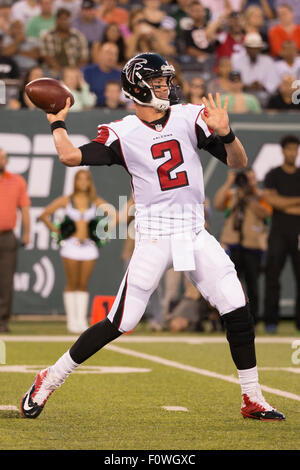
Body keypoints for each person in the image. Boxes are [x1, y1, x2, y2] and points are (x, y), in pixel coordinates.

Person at [20, 52, 285, 421]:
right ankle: (49, 378)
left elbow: (238, 162)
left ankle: (252, 396)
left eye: (166, 81)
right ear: (137, 88)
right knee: (122, 321)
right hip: (156, 235)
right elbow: (68, 156)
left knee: (236, 308)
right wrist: (57, 121)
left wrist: (227, 133)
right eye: (158, 82)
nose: (165, 87)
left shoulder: (190, 116)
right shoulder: (122, 132)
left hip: (194, 231)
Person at [38, 169, 114, 333]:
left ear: (89, 182)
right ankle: (71, 321)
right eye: (80, 179)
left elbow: (113, 214)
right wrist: (56, 231)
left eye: (86, 179)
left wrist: (102, 231)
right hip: (71, 246)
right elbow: (44, 215)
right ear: (75, 182)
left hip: (89, 247)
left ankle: (81, 320)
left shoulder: (95, 201)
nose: (83, 183)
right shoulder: (67, 200)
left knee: (83, 284)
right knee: (72, 283)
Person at [214, 168, 271, 324]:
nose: (247, 182)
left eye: (251, 178)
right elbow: (217, 203)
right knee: (229, 284)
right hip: (232, 245)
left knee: (252, 285)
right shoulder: (232, 195)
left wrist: (251, 194)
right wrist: (229, 182)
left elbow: (265, 213)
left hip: (253, 247)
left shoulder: (260, 196)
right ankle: (226, 320)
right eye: (245, 178)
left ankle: (253, 319)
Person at [262, 135, 300, 333]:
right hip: (278, 232)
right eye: (289, 149)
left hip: (298, 233)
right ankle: (271, 321)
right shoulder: (273, 174)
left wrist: (283, 203)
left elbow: (279, 202)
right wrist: (294, 202)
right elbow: (272, 202)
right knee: (272, 276)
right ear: (283, 150)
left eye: (296, 149)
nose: (293, 153)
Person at [0, 148, 30, 333]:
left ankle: (2, 320)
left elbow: (24, 208)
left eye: (2, 158)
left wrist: (27, 232)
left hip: (7, 236)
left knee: (5, 281)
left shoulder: (17, 181)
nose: (0, 161)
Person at [40, 8, 89, 77]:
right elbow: (48, 57)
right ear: (56, 21)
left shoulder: (78, 36)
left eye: (66, 19)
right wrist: (62, 72)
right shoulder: (48, 36)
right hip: (53, 71)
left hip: (74, 70)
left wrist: (74, 71)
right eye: (61, 19)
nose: (64, 22)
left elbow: (84, 58)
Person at [82, 41, 120, 107]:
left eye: (115, 54)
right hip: (91, 110)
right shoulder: (87, 72)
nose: (111, 57)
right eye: (108, 53)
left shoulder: (120, 75)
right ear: (100, 54)